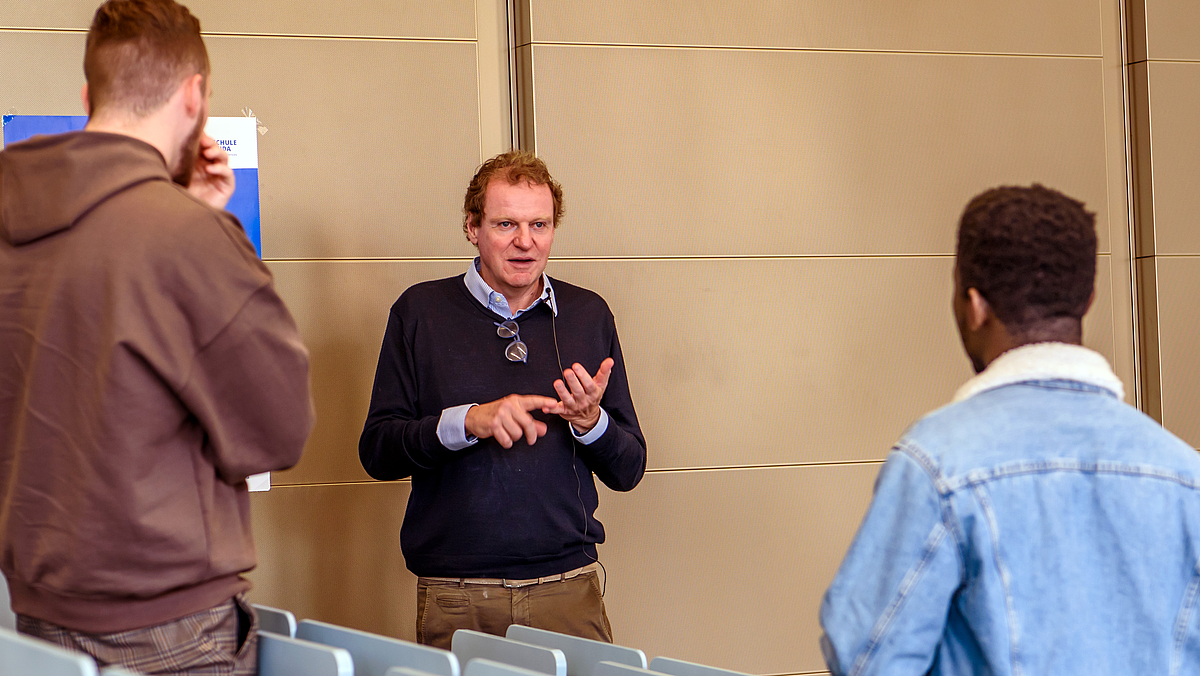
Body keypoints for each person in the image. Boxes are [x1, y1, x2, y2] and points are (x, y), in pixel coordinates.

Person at [0, 1, 314, 673]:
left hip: (32, 618)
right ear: (194, 94)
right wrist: (211, 230)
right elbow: (278, 429)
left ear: (89, 96)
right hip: (166, 630)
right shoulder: (187, 241)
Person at [818, 184, 1200, 675]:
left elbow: (867, 659)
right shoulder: (1184, 473)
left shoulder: (937, 464)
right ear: (1088, 298)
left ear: (974, 305)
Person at [360, 150, 646, 648]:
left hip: (569, 589)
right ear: (472, 227)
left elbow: (630, 468)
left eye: (540, 224)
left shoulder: (588, 314)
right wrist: (468, 422)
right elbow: (377, 452)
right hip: (459, 595)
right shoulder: (419, 312)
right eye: (505, 224)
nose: (525, 242)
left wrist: (591, 421)